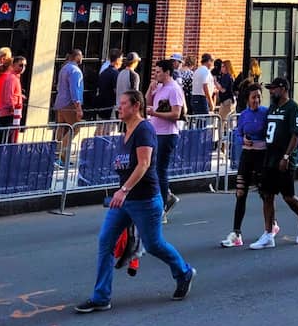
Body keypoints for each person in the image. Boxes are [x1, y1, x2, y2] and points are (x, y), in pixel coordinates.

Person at [75, 89, 195, 312]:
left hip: (145, 200)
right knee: (105, 241)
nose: (119, 108)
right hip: (125, 201)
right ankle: (101, 297)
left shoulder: (144, 130)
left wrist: (123, 190)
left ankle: (184, 272)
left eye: (123, 104)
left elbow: (144, 163)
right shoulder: (126, 130)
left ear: (136, 106)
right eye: (119, 104)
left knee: (154, 245)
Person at [249, 77, 298, 249]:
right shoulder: (272, 108)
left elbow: (296, 134)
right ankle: (268, 233)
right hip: (269, 157)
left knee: (288, 196)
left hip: (284, 158)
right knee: (267, 195)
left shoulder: (293, 108)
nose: (271, 92)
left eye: (274, 88)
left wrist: (286, 156)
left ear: (283, 88)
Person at [220, 84, 277, 248]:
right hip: (247, 155)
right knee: (240, 192)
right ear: (247, 99)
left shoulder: (266, 113)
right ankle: (236, 233)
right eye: (253, 97)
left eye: (259, 97)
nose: (256, 100)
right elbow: (238, 133)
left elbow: (271, 133)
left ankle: (271, 225)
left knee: (264, 194)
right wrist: (242, 139)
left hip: (261, 156)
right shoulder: (243, 115)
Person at [146, 59, 185, 218]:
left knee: (159, 169)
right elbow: (147, 103)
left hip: (167, 134)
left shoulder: (174, 89)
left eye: (158, 72)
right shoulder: (160, 87)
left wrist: (155, 113)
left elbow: (176, 114)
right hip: (156, 132)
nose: (156, 75)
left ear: (167, 72)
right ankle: (165, 197)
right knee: (152, 169)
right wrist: (150, 89)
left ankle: (161, 207)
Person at [54, 49, 84, 165]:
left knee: (61, 128)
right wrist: (78, 107)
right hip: (69, 104)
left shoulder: (64, 68)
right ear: (76, 57)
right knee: (74, 128)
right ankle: (62, 156)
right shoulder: (75, 70)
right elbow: (74, 90)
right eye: (81, 56)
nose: (82, 58)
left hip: (60, 102)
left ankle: (57, 154)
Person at [0, 56, 26, 135]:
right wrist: (12, 109)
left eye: (24, 65)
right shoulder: (12, 78)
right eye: (20, 65)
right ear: (14, 65)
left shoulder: (15, 77)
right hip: (9, 114)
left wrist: (20, 96)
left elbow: (12, 94)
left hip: (13, 113)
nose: (23, 68)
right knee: (7, 139)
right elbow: (9, 96)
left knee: (9, 138)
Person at [95, 50, 122, 125]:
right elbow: (116, 91)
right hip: (110, 106)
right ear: (117, 60)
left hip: (101, 104)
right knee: (110, 129)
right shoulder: (115, 74)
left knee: (100, 126)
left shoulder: (103, 72)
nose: (122, 62)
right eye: (121, 60)